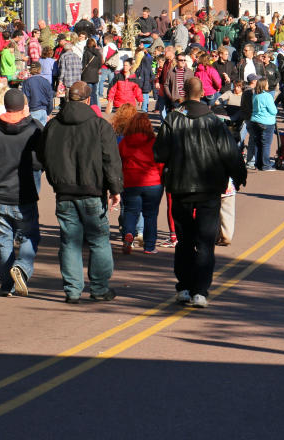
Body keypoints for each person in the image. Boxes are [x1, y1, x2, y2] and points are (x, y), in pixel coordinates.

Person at [153, 77, 247, 309]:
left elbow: (160, 153)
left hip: (181, 186)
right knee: (205, 241)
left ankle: (184, 287)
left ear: (184, 93)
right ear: (203, 93)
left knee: (184, 241)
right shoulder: (213, 121)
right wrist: (239, 174)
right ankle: (200, 291)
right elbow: (229, 152)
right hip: (208, 187)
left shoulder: (173, 119)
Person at [42, 81, 123, 304]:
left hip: (65, 191)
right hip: (92, 191)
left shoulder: (53, 126)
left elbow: (44, 156)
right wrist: (116, 188)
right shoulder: (99, 125)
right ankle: (98, 288)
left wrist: (55, 180)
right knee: (98, 241)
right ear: (89, 100)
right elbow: (111, 160)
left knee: (70, 241)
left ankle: (73, 289)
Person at [0, 89, 43, 297]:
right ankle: (21, 267)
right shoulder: (34, 129)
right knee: (30, 235)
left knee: (3, 240)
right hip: (25, 194)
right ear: (23, 106)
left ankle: (7, 285)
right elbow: (39, 161)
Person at [118, 112, 164, 255]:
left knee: (131, 212)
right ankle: (149, 246)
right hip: (153, 182)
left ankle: (128, 235)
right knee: (150, 214)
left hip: (131, 181)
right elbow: (161, 163)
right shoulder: (154, 142)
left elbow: (119, 161)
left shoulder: (124, 142)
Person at [247, 77, 277, 172]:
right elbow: (273, 111)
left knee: (258, 143)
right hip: (266, 122)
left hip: (255, 121)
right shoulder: (267, 96)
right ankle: (266, 165)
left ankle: (258, 163)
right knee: (266, 144)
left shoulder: (255, 95)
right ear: (264, 85)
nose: (268, 85)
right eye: (267, 83)